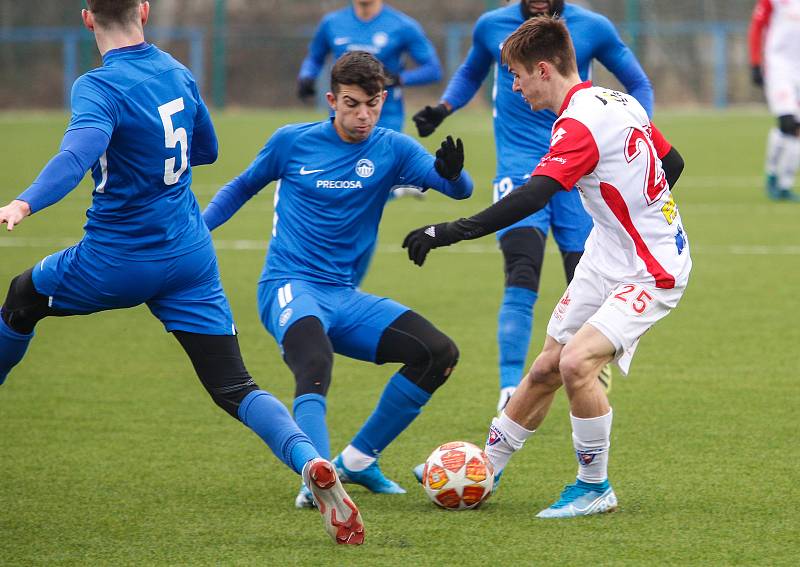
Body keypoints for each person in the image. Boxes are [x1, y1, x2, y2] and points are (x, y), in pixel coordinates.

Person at [0, 0, 363, 545]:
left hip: (115, 262)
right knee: (234, 385)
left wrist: (24, 203)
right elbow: (209, 150)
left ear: (87, 18)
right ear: (144, 11)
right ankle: (310, 460)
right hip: (190, 257)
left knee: (22, 294)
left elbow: (78, 154)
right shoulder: (177, 71)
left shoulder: (97, 87)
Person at [404, 15, 689, 518]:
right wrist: (637, 210)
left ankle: (594, 486)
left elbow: (533, 194)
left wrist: (449, 230)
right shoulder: (615, 99)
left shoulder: (579, 122)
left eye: (514, 75)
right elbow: (673, 162)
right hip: (607, 256)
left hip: (651, 268)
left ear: (541, 69)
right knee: (543, 369)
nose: (513, 87)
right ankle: (484, 469)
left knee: (577, 364)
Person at [203, 51, 473, 510]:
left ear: (383, 99)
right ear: (331, 100)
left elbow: (457, 189)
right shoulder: (291, 142)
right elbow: (241, 187)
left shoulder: (393, 148)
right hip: (288, 285)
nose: (362, 115)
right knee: (315, 359)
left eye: (371, 103)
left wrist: (452, 173)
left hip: (342, 296)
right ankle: (316, 478)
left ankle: (358, 459)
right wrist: (197, 231)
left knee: (438, 353)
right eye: (351, 104)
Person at [412, 0, 654, 411]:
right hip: (520, 166)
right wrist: (444, 108)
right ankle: (510, 385)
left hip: (581, 168)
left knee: (584, 274)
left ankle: (591, 355)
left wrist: (638, 132)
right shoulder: (492, 25)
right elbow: (472, 71)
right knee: (521, 270)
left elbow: (639, 84)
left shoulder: (592, 27)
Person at [297, 0, 444, 286]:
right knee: (340, 199)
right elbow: (314, 57)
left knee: (360, 204)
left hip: (384, 123)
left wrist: (398, 78)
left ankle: (346, 283)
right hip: (339, 127)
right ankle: (393, 190)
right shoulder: (332, 23)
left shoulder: (402, 26)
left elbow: (433, 69)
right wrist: (307, 76)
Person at [749, 0, 800, 201]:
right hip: (779, 68)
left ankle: (783, 184)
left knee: (794, 128)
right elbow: (756, 27)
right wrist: (755, 62)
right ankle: (774, 178)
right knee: (789, 123)